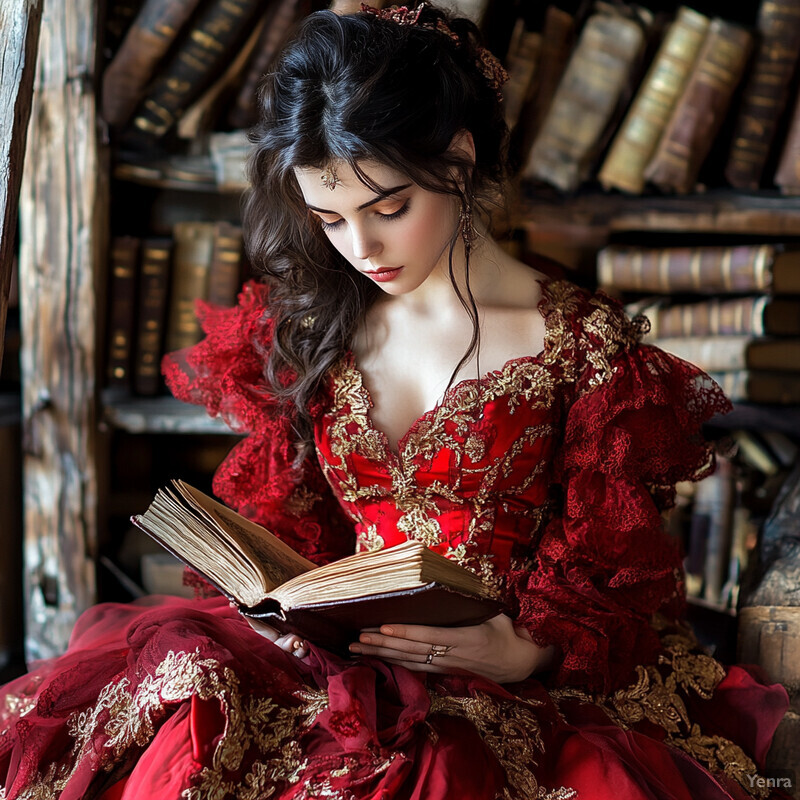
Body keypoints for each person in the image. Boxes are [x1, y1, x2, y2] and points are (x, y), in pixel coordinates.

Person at [0, 4, 790, 798]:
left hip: (517, 682)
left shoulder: (582, 347)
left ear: (458, 157)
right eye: (330, 219)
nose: (362, 249)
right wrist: (281, 606)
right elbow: (288, 532)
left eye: (388, 210)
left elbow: (613, 566)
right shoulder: (314, 327)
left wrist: (523, 649)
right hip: (337, 671)